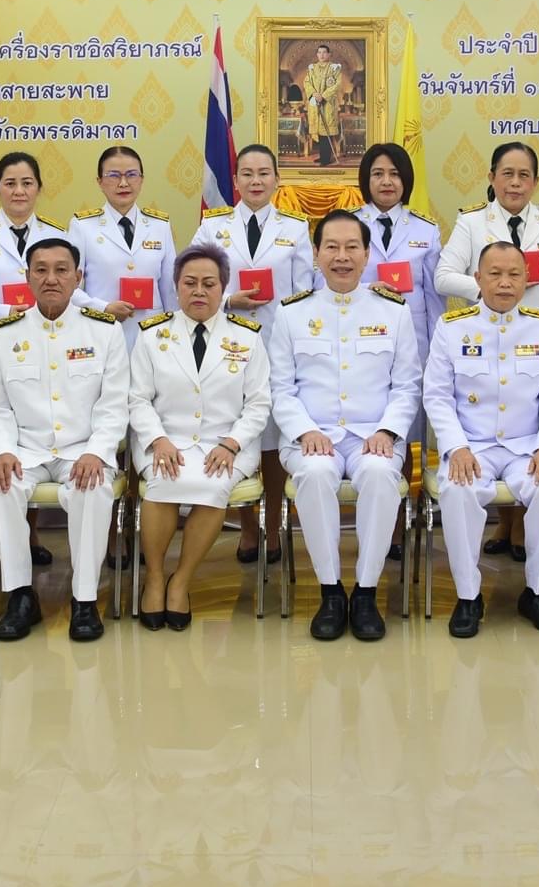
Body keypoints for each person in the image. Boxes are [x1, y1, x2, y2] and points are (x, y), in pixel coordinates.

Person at [268, 211, 418, 641]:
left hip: (375, 434)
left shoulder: (394, 311)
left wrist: (388, 432)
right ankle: (331, 591)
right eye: (331, 247)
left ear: (367, 254)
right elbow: (280, 388)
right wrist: (304, 431)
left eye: (352, 247)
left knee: (380, 474)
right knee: (315, 475)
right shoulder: (292, 312)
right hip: (311, 435)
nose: (342, 256)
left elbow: (408, 385)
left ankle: (366, 592)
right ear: (316, 254)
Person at [0, 238, 129, 643]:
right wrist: (2, 450)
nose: (51, 279)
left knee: (92, 490)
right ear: (27, 277)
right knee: (0, 489)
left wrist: (97, 452)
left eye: (61, 270)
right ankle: (20, 596)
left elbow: (114, 404)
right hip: (24, 449)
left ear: (78, 277)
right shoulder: (2, 334)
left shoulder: (104, 331)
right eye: (40, 270)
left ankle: (84, 599)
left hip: (82, 448)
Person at [423, 241, 539, 637]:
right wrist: (456, 447)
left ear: (527, 279)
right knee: (458, 489)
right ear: (477, 279)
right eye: (495, 274)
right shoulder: (452, 328)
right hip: (473, 445)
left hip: (527, 446)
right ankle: (468, 597)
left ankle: (537, 593)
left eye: (514, 274)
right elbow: (437, 395)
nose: (505, 283)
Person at [129, 243, 272, 631]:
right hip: (165, 439)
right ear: (176, 286)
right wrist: (157, 440)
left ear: (223, 288)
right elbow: (137, 399)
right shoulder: (151, 335)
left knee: (213, 484)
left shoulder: (247, 337)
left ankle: (181, 580)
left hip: (226, 443)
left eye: (209, 284)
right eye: (189, 282)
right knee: (162, 480)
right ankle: (155, 577)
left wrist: (231, 444)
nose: (199, 291)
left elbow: (259, 403)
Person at [193, 144, 311, 564]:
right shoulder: (213, 226)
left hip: (279, 345)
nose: (256, 181)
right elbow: (192, 279)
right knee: (237, 432)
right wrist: (228, 300)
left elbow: (305, 292)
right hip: (228, 346)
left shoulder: (296, 228)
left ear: (277, 179)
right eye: (247, 173)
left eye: (264, 173)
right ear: (236, 180)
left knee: (273, 441)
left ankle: (273, 526)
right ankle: (246, 527)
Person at [438, 141, 539, 311]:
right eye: (508, 173)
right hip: (488, 324)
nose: (515, 182)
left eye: (524, 175)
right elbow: (443, 278)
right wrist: (489, 286)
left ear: (535, 181)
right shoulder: (471, 221)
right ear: (492, 178)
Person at [71, 145, 179, 346]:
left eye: (131, 175)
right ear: (100, 182)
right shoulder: (83, 226)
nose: (123, 183)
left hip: (153, 338)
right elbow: (70, 288)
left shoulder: (160, 225)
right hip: (102, 334)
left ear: (142, 180)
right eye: (113, 175)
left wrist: (174, 335)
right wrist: (103, 308)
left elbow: (170, 291)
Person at [356, 143, 443, 359]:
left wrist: (437, 350)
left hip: (413, 338)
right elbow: (324, 284)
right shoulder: (347, 224)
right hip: (359, 331)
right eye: (378, 174)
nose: (387, 181)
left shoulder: (426, 229)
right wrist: (366, 289)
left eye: (394, 174)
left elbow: (434, 298)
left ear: (406, 179)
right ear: (366, 179)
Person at [0, 151, 69, 321]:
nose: (19, 191)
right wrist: (2, 312)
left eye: (27, 183)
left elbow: (70, 289)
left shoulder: (58, 235)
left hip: (45, 329)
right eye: (10, 184)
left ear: (39, 188)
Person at [303, 43, 345, 166]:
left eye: (324, 52)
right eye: (319, 52)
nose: (321, 55)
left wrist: (324, 96)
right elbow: (307, 82)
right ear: (317, 54)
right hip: (315, 103)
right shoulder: (312, 69)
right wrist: (314, 94)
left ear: (329, 54)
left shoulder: (334, 68)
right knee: (319, 132)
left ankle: (326, 158)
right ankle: (322, 157)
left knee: (326, 131)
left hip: (328, 105)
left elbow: (337, 85)